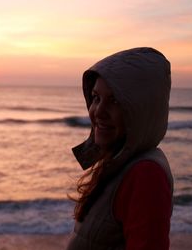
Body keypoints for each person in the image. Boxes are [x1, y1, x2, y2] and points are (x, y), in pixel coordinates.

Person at [66, 47, 174, 250]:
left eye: (114, 101)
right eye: (96, 97)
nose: (98, 111)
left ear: (140, 110)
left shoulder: (146, 175)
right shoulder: (118, 161)